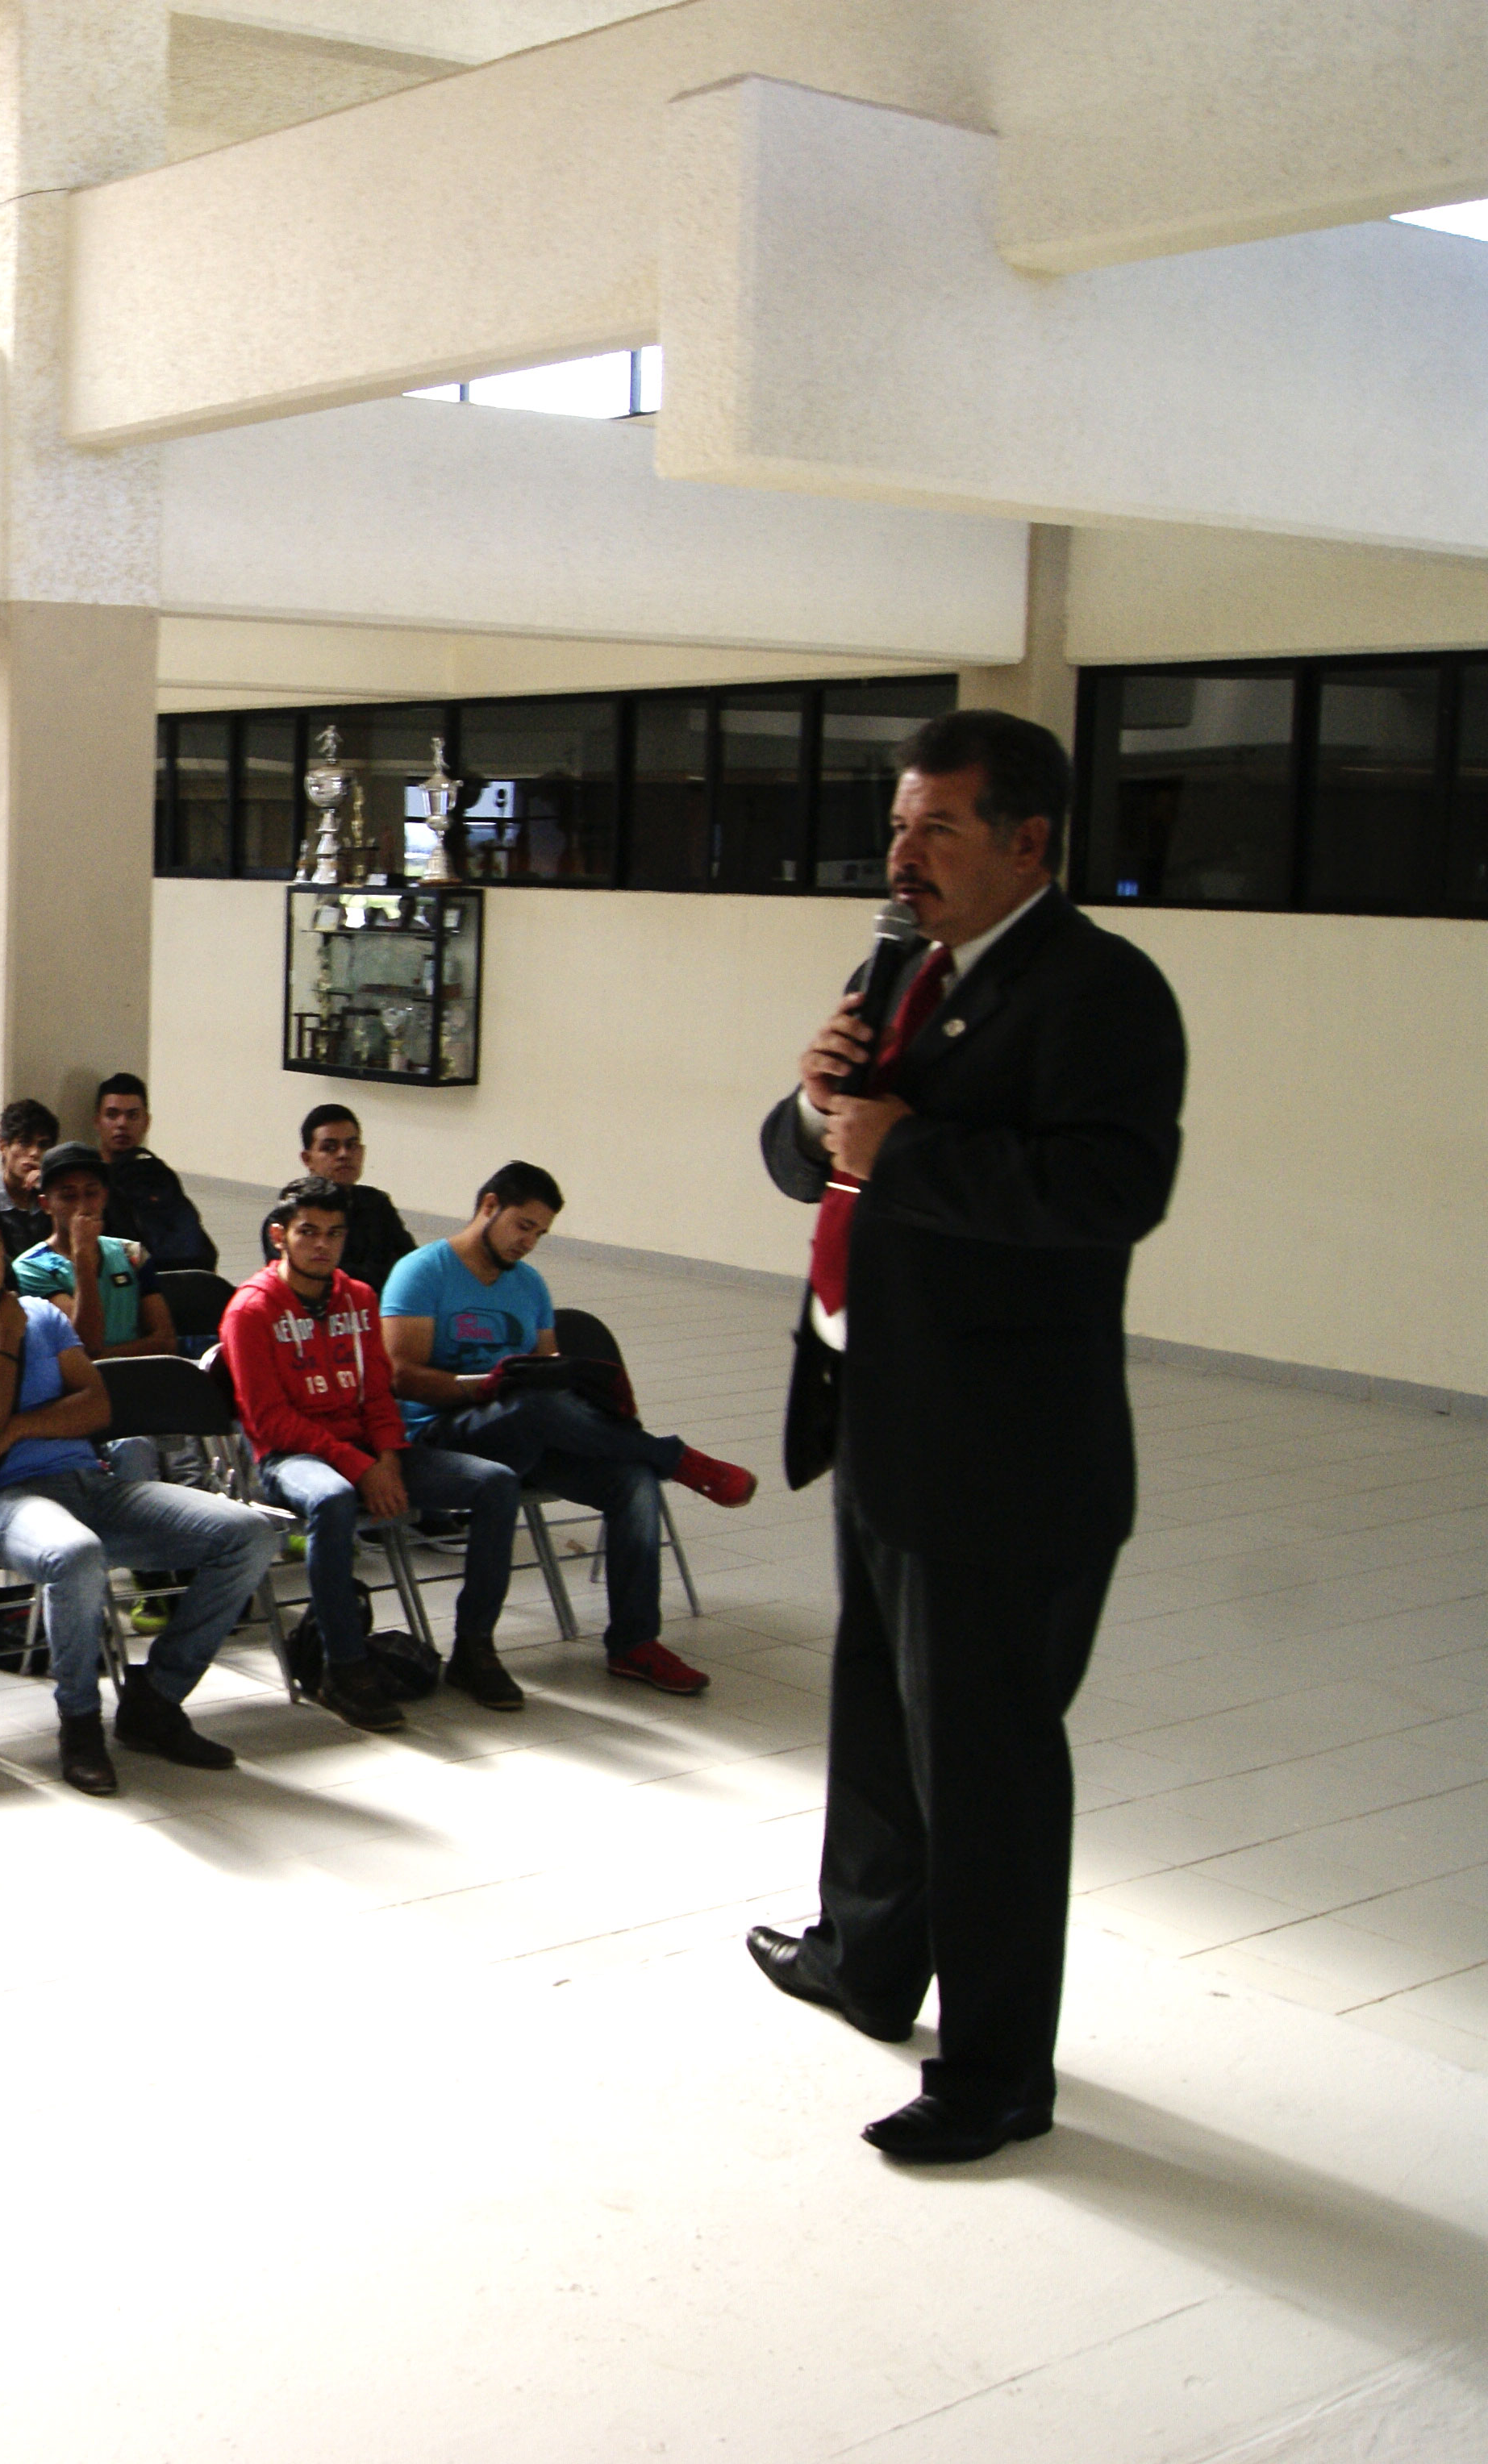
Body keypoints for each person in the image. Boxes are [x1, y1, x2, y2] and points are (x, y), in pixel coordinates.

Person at [747, 708, 1187, 2166]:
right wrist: (813, 1114)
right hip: (878, 1416)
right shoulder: (906, 975)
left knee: (985, 1771)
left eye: (935, 829)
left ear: (1027, 841)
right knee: (876, 1721)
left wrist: (899, 1147)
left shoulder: (1100, 992)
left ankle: (997, 2073)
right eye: (897, 825)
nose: (901, 854)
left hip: (1003, 1462)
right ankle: (866, 1962)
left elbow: (1107, 1195)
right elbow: (798, 1148)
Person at [0, 1188, 271, 1797]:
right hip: (2, 1502)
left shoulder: (43, 1315)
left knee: (247, 1533)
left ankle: (155, 1698)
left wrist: (17, 1425)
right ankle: (79, 1723)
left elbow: (95, 1407)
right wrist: (6, 1341)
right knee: (75, 1555)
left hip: (92, 1484)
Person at [385, 1162, 752, 1697]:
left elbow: (548, 1376)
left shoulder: (529, 1285)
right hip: (442, 1431)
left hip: (524, 1428)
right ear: (489, 1207)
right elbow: (401, 1377)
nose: (529, 1242)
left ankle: (633, 1643)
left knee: (632, 1479)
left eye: (540, 1233)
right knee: (533, 1406)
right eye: (523, 1225)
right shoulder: (423, 1272)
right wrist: (482, 1387)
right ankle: (673, 1456)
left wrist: (568, 1390)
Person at [224, 1179, 529, 1730]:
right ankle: (345, 1667)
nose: (323, 1245)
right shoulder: (251, 1310)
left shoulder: (360, 1299)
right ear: (279, 1236)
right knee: (336, 1501)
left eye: (335, 1234)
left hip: (369, 1452)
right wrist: (359, 1466)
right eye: (308, 1232)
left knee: (497, 1484)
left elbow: (378, 1396)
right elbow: (270, 1421)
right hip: (293, 1458)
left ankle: (474, 1648)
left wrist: (386, 1455)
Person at [11, 1142, 177, 1359]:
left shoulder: (132, 1254)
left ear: (104, 1196)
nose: (83, 1205)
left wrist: (103, 1357)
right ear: (46, 1204)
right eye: (69, 1196)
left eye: (91, 1193)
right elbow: (84, 1343)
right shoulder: (30, 1268)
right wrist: (82, 1256)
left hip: (142, 1381)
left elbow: (166, 1342)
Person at [81, 1074, 219, 1276]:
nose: (122, 1124)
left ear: (146, 1122)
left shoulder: (158, 1174)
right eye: (112, 1114)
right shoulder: (85, 1180)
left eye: (132, 1116)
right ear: (97, 1122)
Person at [298, 1105, 417, 1293]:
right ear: (307, 1159)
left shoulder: (377, 1203)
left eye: (351, 1145)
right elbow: (318, 1283)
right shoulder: (292, 1217)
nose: (344, 1154)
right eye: (330, 1148)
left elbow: (411, 1265)